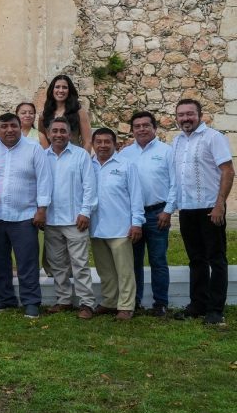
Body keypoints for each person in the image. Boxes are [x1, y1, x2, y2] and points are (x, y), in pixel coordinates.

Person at [0, 113, 52, 318]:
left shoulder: (34, 149)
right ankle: (5, 299)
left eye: (13, 126)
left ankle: (31, 302)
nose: (9, 130)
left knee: (27, 261)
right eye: (4, 126)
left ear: (20, 127)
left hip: (24, 216)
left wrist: (42, 209)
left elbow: (44, 180)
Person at [170, 98, 233, 325]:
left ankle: (215, 310)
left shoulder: (213, 138)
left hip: (210, 209)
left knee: (216, 260)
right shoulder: (176, 142)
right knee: (196, 260)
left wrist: (220, 204)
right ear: (176, 118)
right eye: (181, 115)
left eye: (190, 114)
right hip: (187, 209)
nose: (186, 118)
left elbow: (227, 171)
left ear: (199, 115)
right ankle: (198, 304)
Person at [120, 110, 178, 316]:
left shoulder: (166, 151)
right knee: (133, 261)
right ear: (132, 130)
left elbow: (175, 183)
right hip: (133, 216)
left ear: (154, 127)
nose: (142, 129)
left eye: (146, 125)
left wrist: (168, 211)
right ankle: (133, 301)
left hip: (157, 214)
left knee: (158, 260)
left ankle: (160, 303)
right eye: (137, 126)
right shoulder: (125, 154)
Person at [41, 117, 97, 319]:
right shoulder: (42, 156)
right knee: (58, 264)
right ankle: (63, 299)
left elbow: (90, 186)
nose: (58, 134)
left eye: (62, 131)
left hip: (75, 220)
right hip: (52, 220)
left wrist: (85, 212)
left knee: (80, 264)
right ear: (48, 133)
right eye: (54, 131)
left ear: (70, 134)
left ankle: (86, 303)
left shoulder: (81, 155)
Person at [90, 128, 144, 321]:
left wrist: (136, 223)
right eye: (99, 142)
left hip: (121, 227)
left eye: (107, 142)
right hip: (96, 228)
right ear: (93, 144)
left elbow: (136, 197)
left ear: (115, 144)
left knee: (124, 270)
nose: (103, 145)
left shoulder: (126, 165)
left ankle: (126, 306)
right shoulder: (89, 165)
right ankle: (109, 301)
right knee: (105, 271)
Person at [41, 75, 92, 150]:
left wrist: (85, 160)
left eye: (64, 87)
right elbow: (42, 136)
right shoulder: (44, 115)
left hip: (74, 158)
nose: (61, 90)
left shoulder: (79, 112)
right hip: (52, 159)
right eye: (57, 87)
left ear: (69, 91)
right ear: (52, 90)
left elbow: (87, 141)